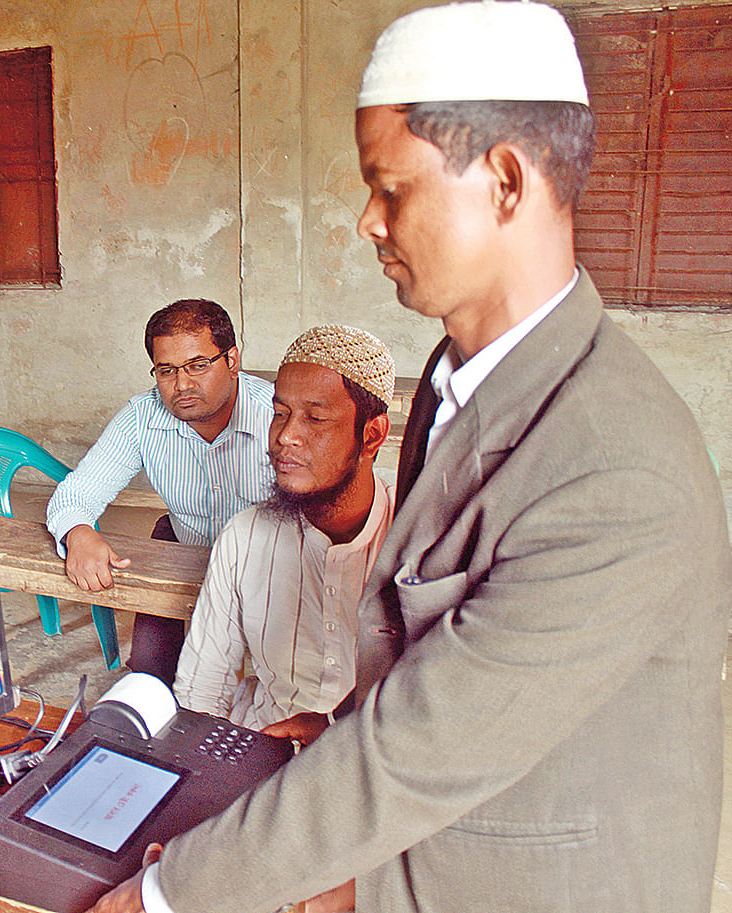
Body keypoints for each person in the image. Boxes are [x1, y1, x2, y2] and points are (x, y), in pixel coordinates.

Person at [87, 4, 732, 913]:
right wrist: (337, 731)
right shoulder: (453, 378)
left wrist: (169, 893)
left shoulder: (617, 473)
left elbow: (420, 749)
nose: (366, 220)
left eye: (390, 188)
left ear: (506, 180)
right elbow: (422, 660)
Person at [173, 325, 395, 745]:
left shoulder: (416, 538)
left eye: (315, 418)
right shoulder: (246, 536)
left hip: (377, 759)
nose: (285, 437)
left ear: (371, 435)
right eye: (280, 413)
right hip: (263, 749)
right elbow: (202, 688)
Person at [47, 299, 274, 685]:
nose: (182, 384)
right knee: (150, 679)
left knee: (287, 688)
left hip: (270, 564)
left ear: (232, 361)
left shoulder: (276, 414)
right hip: (183, 550)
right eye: (166, 370)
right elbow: (76, 494)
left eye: (198, 365)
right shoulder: (142, 416)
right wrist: (79, 534)